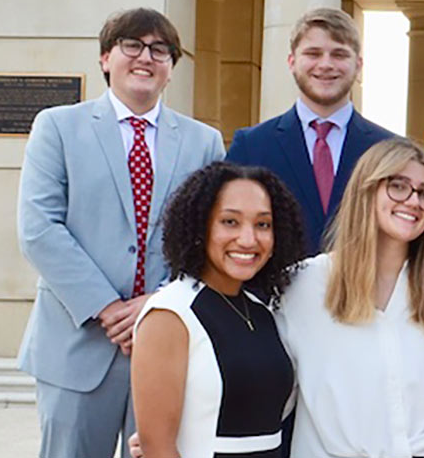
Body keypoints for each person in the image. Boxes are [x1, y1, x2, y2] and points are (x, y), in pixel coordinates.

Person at [18, 7, 226, 458]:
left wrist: (156, 302)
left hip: (167, 344)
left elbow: (211, 239)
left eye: (160, 50)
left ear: (171, 67)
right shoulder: (58, 127)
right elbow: (38, 228)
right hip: (76, 344)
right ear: (105, 58)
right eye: (132, 45)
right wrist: (109, 308)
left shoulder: (204, 142)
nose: (145, 57)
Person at [279, 139, 424, 458]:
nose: (414, 201)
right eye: (398, 186)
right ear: (366, 190)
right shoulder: (303, 284)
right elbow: (273, 396)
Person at [130, 164, 311, 458]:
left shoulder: (263, 312)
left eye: (263, 225)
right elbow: (157, 448)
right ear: (200, 226)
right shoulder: (170, 314)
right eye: (230, 222)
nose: (248, 239)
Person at [226, 8, 400, 250]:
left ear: (358, 65)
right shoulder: (251, 145)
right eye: (313, 53)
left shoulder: (390, 150)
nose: (326, 64)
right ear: (292, 62)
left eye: (339, 54)